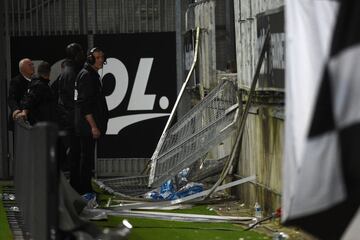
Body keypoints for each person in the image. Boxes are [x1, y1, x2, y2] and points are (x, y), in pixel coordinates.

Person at [73, 47, 109, 195]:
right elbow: (85, 105)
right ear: (90, 59)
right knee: (86, 158)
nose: (101, 60)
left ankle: (85, 188)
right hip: (87, 126)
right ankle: (84, 190)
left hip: (87, 124)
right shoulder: (87, 76)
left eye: (102, 57)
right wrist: (93, 126)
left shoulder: (90, 74)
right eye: (98, 57)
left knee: (87, 158)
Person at [52, 43, 85, 171]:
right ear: (75, 55)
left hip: (69, 117)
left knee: (75, 152)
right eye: (81, 52)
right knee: (75, 152)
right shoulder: (71, 73)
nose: (83, 54)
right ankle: (76, 184)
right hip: (72, 119)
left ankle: (75, 183)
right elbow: (74, 98)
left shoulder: (67, 71)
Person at [7, 58, 34, 129]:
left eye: (32, 64)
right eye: (30, 65)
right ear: (22, 68)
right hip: (21, 119)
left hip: (34, 119)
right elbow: (12, 98)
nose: (33, 66)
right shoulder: (16, 81)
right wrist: (16, 110)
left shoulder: (36, 81)